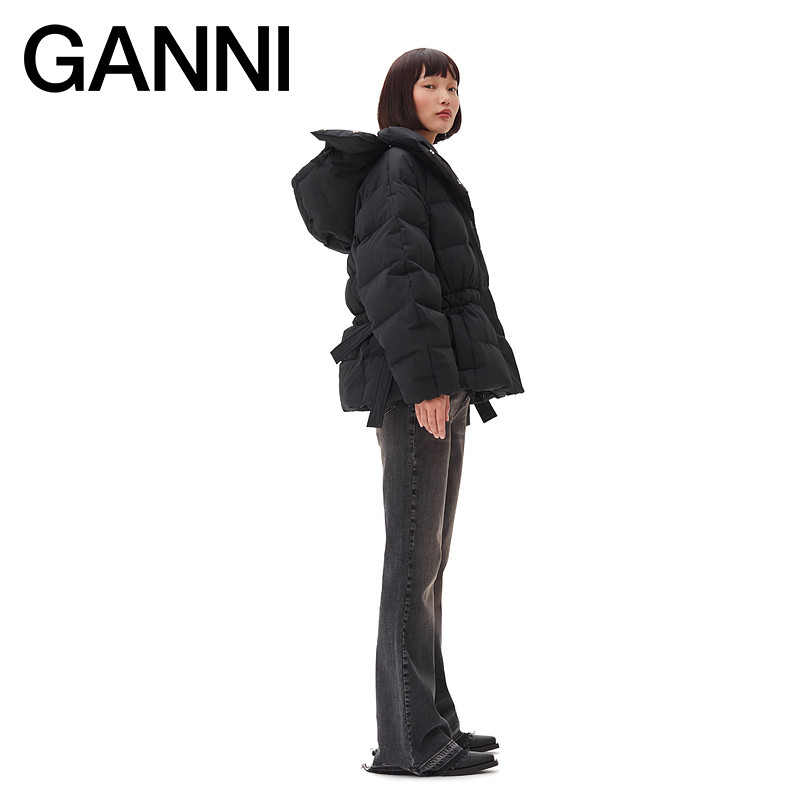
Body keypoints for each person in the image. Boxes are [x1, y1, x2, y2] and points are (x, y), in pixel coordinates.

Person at [291, 48, 524, 776]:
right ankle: (409, 743)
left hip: (441, 381)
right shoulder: (398, 168)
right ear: (402, 93)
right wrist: (426, 384)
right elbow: (397, 278)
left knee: (430, 561)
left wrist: (450, 381)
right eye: (431, 84)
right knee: (413, 561)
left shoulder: (421, 166)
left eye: (453, 85)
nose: (446, 96)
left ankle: (433, 722)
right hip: (415, 386)